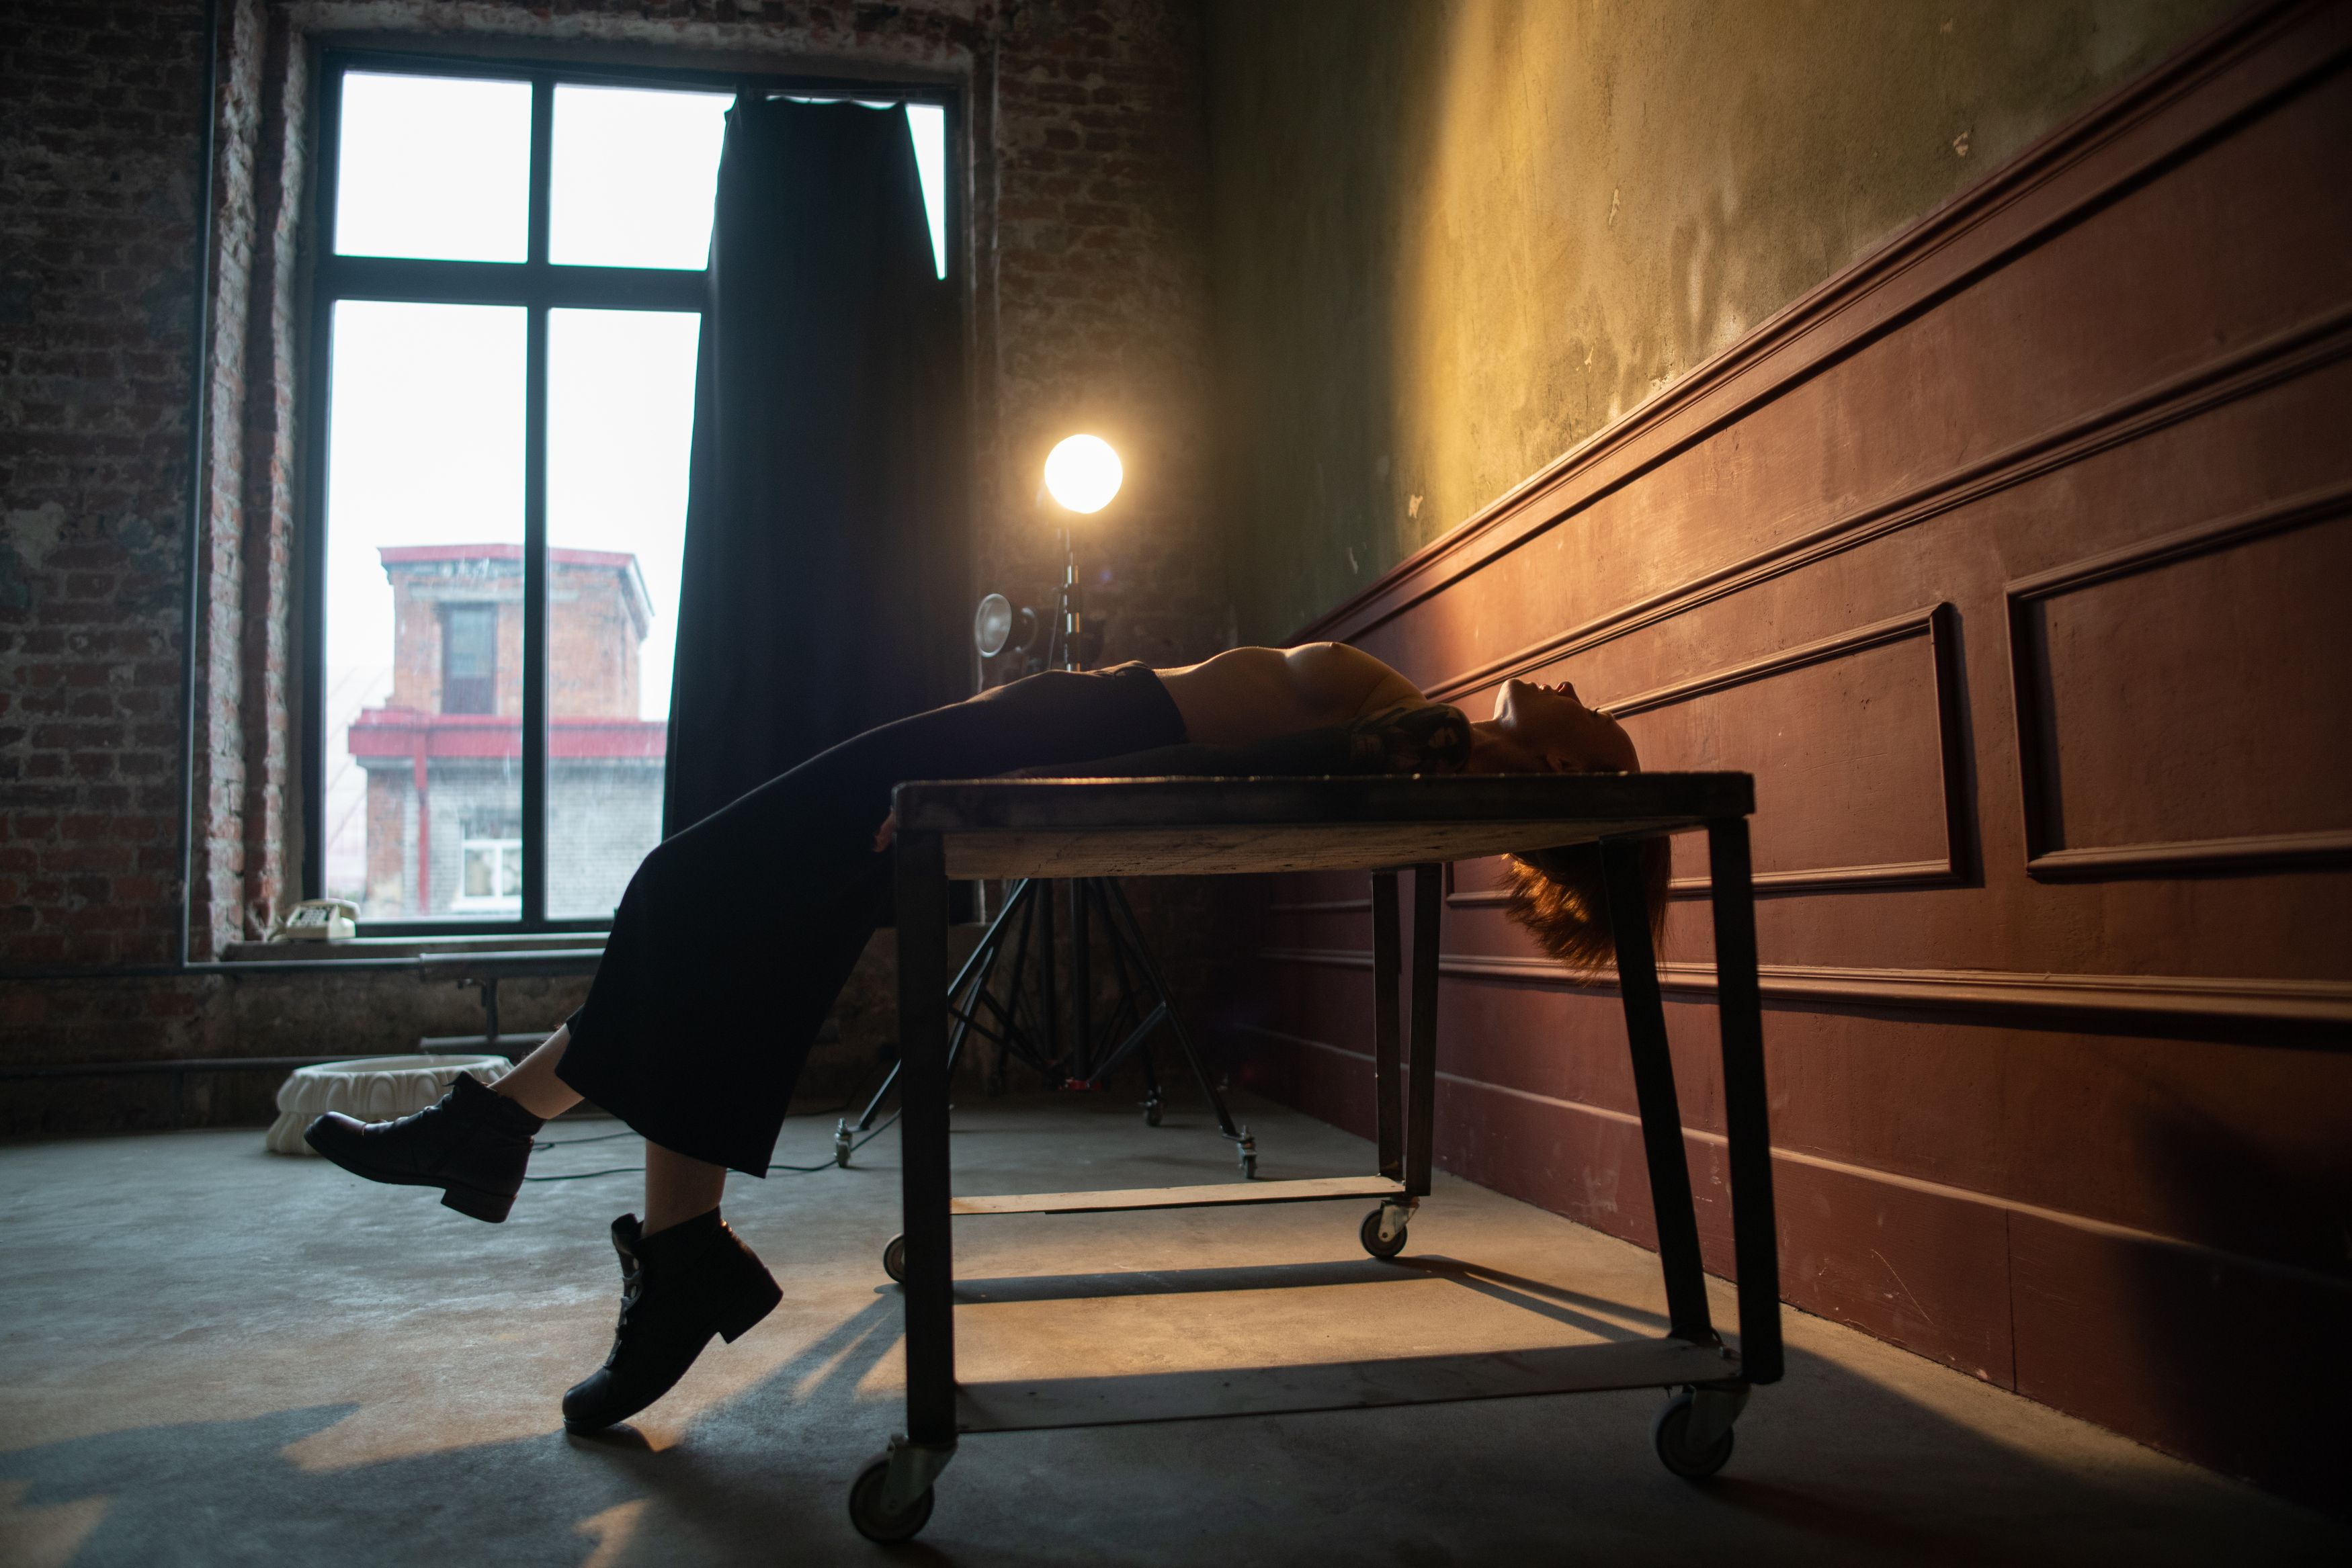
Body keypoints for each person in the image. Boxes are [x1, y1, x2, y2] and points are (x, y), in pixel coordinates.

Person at [305, 643, 1665, 1432]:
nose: (1576, 688)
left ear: (1575, 775)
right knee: (722, 930)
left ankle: (548, 1168)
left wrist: (991, 789)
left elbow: (1199, 770)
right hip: (1057, 721)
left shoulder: (1418, 737)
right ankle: (597, 1200)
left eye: (1601, 720)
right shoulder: (1417, 728)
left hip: (1059, 731)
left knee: (689, 890)